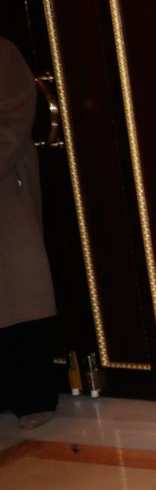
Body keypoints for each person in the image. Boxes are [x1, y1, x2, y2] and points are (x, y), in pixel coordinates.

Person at [0, 36, 60, 429]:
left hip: (7, 192)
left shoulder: (3, 53)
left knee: (21, 294)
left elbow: (15, 119)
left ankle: (34, 398)